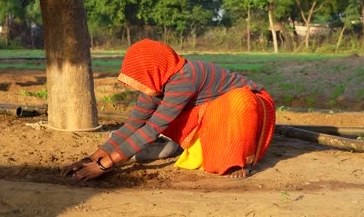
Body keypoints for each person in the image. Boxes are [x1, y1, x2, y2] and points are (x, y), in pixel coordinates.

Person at [61, 39, 276, 180]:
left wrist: (106, 164)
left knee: (239, 100)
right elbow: (133, 125)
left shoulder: (184, 79)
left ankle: (241, 160)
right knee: (168, 118)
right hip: (213, 111)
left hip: (249, 108)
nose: (139, 86)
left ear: (155, 68)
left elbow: (153, 128)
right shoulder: (158, 82)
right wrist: (91, 159)